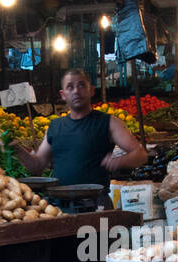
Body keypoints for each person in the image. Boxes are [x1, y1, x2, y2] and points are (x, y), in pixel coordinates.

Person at [11, 68, 148, 203]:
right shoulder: (55, 127)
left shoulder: (109, 123)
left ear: (92, 90)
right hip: (60, 206)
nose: (76, 91)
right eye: (70, 87)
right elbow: (37, 165)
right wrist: (16, 148)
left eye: (82, 85)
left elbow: (141, 155)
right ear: (63, 94)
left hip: (95, 204)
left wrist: (119, 161)